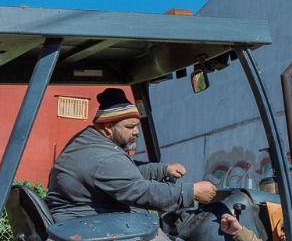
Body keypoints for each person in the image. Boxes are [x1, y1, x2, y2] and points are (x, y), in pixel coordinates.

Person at [45, 88, 217, 220]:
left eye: (137, 126)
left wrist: (163, 170)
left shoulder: (91, 142)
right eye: (129, 127)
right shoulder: (103, 157)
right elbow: (140, 192)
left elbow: (123, 173)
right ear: (108, 127)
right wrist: (190, 192)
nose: (136, 132)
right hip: (82, 226)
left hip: (79, 219)